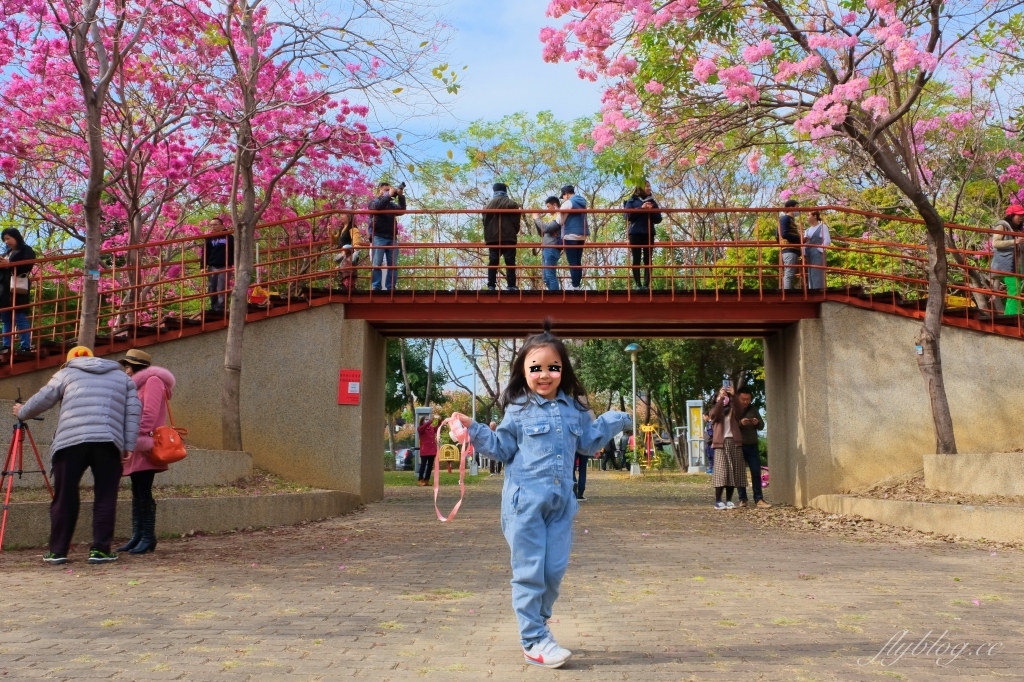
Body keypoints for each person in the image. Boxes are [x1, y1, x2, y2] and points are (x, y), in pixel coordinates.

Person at [456, 322, 631, 668]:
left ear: (563, 370)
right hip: (525, 506)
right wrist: (473, 430)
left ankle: (539, 623)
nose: (545, 375)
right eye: (536, 368)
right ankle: (533, 639)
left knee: (553, 571)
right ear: (524, 371)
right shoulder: (517, 410)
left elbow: (588, 441)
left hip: (561, 504)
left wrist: (616, 420)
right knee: (530, 572)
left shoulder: (574, 410)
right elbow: (500, 447)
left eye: (553, 367)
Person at [14, 346, 141, 564]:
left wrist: (22, 411)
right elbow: (132, 412)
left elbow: (43, 398)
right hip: (108, 442)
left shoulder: (66, 373)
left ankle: (57, 551)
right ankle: (100, 550)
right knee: (105, 495)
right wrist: (128, 445)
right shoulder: (123, 378)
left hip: (70, 441)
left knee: (65, 495)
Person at [117, 349, 176, 554]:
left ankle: (148, 537)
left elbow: (149, 414)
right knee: (137, 490)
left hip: (145, 444)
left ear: (137, 367)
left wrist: (134, 436)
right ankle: (138, 535)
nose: (126, 371)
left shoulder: (153, 381)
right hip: (137, 443)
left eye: (128, 366)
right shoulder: (139, 385)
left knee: (143, 490)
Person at [708, 385, 747, 509]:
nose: (724, 398)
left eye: (725, 396)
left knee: (733, 472)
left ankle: (729, 500)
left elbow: (740, 411)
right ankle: (718, 500)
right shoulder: (715, 409)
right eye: (720, 396)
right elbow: (714, 415)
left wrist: (734, 396)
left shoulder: (732, 410)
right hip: (720, 444)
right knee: (721, 472)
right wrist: (720, 398)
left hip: (734, 442)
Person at [733, 386, 771, 509]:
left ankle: (759, 498)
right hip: (738, 444)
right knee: (740, 473)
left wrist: (757, 423)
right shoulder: (733, 409)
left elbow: (761, 425)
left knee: (755, 471)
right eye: (743, 399)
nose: (745, 401)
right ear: (738, 398)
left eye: (748, 399)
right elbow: (729, 426)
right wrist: (740, 423)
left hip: (752, 444)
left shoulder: (753, 409)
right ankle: (742, 498)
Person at [482, 182, 523, 291]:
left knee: (493, 261)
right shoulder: (512, 204)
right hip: (509, 236)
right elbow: (516, 221)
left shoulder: (488, 205)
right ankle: (511, 285)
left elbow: (484, 221)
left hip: (493, 238)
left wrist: (488, 234)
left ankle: (491, 285)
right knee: (510, 261)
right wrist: (514, 230)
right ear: (505, 191)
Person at [0, 227, 35, 352]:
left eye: (8, 238)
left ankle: (25, 346)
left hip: (18, 289)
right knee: (6, 319)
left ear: (16, 237)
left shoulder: (26, 250)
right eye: (4, 239)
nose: (6, 242)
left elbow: (27, 265)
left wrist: (9, 264)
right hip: (4, 291)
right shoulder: (5, 254)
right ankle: (6, 345)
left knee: (20, 316)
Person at [368, 181, 406, 291]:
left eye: (388, 190)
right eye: (385, 190)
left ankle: (391, 287)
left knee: (393, 265)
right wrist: (389, 196)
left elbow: (402, 210)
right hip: (379, 236)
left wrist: (401, 196)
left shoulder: (391, 205)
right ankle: (376, 287)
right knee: (377, 263)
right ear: (379, 191)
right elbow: (378, 207)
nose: (388, 192)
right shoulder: (374, 202)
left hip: (392, 237)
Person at [624, 182, 662, 290]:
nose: (649, 188)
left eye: (650, 186)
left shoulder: (653, 202)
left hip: (648, 232)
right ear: (640, 188)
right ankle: (638, 285)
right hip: (635, 233)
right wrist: (641, 208)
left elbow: (658, 219)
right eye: (647, 186)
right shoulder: (631, 200)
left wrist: (651, 211)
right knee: (636, 259)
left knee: (648, 259)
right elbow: (627, 216)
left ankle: (646, 285)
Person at [990, 204, 1024, 315]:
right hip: (1005, 265)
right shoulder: (1002, 226)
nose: (1021, 218)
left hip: (1014, 266)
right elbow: (995, 243)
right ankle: (1013, 315)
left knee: (1015, 290)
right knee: (1015, 288)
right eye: (1018, 215)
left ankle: (1011, 314)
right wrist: (1014, 241)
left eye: (1022, 215)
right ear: (1011, 215)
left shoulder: (1016, 229)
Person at [558, 185, 589, 290]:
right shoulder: (582, 202)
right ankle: (577, 284)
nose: (563, 198)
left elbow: (559, 220)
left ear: (566, 194)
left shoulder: (569, 203)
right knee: (577, 261)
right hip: (582, 234)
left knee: (572, 262)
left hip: (570, 234)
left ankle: (575, 285)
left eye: (563, 196)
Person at [202, 217, 234, 313]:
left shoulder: (229, 237)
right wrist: (202, 267)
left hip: (225, 266)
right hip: (212, 266)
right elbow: (205, 253)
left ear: (222, 226)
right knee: (212, 287)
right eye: (211, 225)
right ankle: (214, 307)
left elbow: (234, 251)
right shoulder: (209, 238)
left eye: (215, 225)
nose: (213, 227)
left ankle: (221, 308)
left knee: (222, 288)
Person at [533, 197, 563, 291]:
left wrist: (537, 218)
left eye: (548, 206)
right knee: (546, 278)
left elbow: (546, 228)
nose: (547, 209)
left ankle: (555, 299)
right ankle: (552, 296)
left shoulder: (559, 216)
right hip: (546, 248)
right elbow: (542, 233)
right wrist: (536, 220)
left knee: (550, 275)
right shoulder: (552, 217)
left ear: (554, 205)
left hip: (552, 248)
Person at [803, 210, 832, 291]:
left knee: (818, 273)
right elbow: (804, 243)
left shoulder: (822, 226)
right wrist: (804, 254)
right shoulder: (807, 230)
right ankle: (812, 291)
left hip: (818, 253)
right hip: (809, 253)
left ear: (815, 216)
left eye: (808, 215)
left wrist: (819, 250)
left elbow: (827, 240)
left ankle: (819, 291)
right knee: (811, 273)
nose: (807, 217)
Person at [332, 212, 360, 291]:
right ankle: (345, 286)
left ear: (348, 217)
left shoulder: (352, 227)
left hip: (349, 252)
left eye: (342, 215)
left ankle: (349, 287)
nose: (341, 217)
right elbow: (335, 239)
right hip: (343, 252)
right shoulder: (341, 229)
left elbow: (355, 238)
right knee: (341, 269)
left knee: (347, 270)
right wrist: (329, 231)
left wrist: (356, 247)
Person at [778, 200, 801, 290]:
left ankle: (787, 291)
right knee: (789, 273)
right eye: (797, 207)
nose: (798, 210)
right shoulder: (785, 219)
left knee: (790, 273)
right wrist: (800, 239)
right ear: (791, 207)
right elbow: (784, 233)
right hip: (789, 249)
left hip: (792, 250)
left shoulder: (790, 220)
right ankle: (787, 293)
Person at [416, 414, 438, 486]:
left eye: (427, 419)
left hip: (432, 450)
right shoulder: (420, 429)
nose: (427, 421)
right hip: (425, 450)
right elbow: (423, 427)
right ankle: (420, 479)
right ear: (422, 421)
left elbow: (437, 428)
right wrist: (430, 421)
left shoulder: (431, 428)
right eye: (425, 419)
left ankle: (427, 479)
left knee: (430, 466)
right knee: (423, 465)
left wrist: (440, 421)